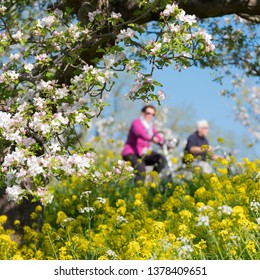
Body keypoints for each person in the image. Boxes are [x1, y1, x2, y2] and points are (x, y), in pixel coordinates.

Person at [122, 105, 167, 183]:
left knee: (161, 159)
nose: (150, 116)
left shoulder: (150, 127)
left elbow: (157, 136)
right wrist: (151, 138)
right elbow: (139, 132)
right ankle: (136, 190)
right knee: (141, 170)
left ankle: (152, 182)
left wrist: (165, 143)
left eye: (153, 114)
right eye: (148, 113)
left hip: (144, 153)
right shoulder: (136, 122)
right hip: (132, 153)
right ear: (143, 113)